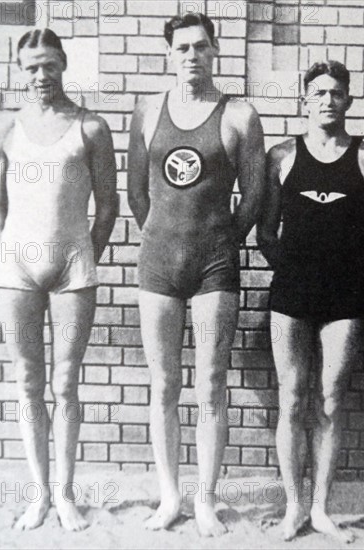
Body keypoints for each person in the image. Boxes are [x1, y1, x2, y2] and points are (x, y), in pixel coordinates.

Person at [127, 13, 265, 537]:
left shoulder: (239, 115)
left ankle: (205, 500)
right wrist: (162, 234)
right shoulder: (146, 110)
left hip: (215, 265)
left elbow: (254, 195)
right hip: (158, 264)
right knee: (163, 384)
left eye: (201, 47)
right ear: (169, 53)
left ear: (215, 52)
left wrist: (221, 240)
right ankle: (170, 498)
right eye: (182, 47)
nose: (192, 56)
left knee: (211, 384)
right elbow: (137, 192)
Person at [0, 28, 118, 531]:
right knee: (27, 382)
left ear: (64, 63)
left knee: (65, 383)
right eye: (31, 67)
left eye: (49, 65)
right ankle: (37, 494)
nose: (41, 76)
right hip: (16, 270)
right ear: (21, 70)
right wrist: (7, 247)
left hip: (72, 270)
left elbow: (107, 204)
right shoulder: (5, 127)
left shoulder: (91, 127)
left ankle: (64, 494)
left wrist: (85, 254)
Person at [258, 61, 364, 543]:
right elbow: (265, 230)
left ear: (349, 100)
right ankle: (293, 507)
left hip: (344, 296)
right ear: (305, 100)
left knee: (331, 401)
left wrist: (353, 271)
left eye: (336, 93)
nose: (327, 100)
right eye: (318, 93)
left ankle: (321, 508)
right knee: (292, 399)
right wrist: (293, 266)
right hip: (291, 293)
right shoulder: (281, 156)